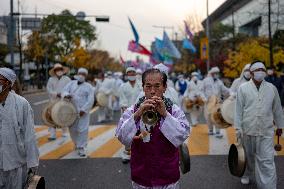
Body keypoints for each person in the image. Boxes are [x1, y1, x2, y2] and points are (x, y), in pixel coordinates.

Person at [116, 68, 190, 189]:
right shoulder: (133, 110)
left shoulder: (174, 110)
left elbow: (182, 136)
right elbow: (122, 137)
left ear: (165, 87)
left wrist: (165, 114)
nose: (152, 91)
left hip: (168, 176)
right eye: (148, 86)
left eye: (157, 86)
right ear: (143, 87)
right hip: (141, 176)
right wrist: (137, 114)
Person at [235, 61, 284, 188]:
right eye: (258, 70)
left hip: (266, 131)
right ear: (251, 73)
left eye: (263, 69)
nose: (261, 71)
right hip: (248, 130)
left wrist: (280, 126)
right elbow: (238, 110)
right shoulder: (243, 88)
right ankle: (246, 173)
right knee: (248, 158)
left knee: (267, 161)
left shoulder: (271, 88)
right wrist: (238, 128)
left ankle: (268, 186)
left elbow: (277, 109)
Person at [0, 68, 39, 189]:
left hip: (16, 160)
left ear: (8, 83)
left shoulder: (21, 104)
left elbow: (29, 134)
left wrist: (32, 163)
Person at [63, 68, 94, 157]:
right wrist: (66, 95)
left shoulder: (88, 86)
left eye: (83, 74)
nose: (81, 75)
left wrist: (84, 110)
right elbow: (64, 91)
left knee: (83, 130)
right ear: (77, 73)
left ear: (86, 76)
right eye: (80, 73)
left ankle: (81, 147)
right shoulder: (71, 84)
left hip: (83, 112)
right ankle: (76, 144)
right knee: (72, 129)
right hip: (71, 111)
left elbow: (90, 100)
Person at [119, 67, 142, 163]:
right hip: (127, 113)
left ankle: (140, 154)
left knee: (140, 132)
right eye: (129, 73)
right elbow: (122, 100)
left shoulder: (141, 85)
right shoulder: (123, 86)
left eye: (133, 72)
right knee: (127, 132)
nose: (131, 74)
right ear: (127, 74)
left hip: (140, 111)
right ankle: (127, 153)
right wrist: (127, 111)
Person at [202, 66, 229, 138]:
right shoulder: (205, 81)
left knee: (217, 115)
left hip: (217, 102)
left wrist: (231, 93)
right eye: (215, 73)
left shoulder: (219, 82)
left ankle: (217, 131)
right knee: (208, 116)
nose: (217, 74)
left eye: (218, 73)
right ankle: (210, 130)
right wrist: (204, 98)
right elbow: (201, 90)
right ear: (212, 73)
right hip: (208, 102)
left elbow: (225, 90)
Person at [46, 63, 71, 140]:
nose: (59, 71)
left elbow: (70, 89)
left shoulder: (67, 79)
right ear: (55, 71)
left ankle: (64, 132)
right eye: (57, 70)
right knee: (52, 117)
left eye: (60, 69)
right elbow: (48, 89)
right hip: (53, 101)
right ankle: (52, 134)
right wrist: (56, 94)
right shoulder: (51, 79)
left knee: (63, 116)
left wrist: (64, 94)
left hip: (64, 101)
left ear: (62, 70)